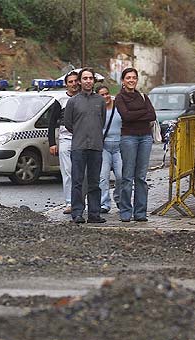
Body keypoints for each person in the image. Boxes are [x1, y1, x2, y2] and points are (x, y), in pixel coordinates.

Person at [64, 67, 106, 224]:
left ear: (94, 81)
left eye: (90, 78)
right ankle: (77, 213)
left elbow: (101, 120)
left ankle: (94, 213)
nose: (88, 81)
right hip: (79, 146)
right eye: (85, 78)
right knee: (77, 181)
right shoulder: (73, 102)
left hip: (96, 146)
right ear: (80, 81)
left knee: (95, 181)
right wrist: (81, 133)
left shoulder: (100, 101)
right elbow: (68, 123)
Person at [115, 67, 156, 222]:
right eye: (128, 78)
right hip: (128, 138)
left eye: (134, 77)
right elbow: (126, 116)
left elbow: (152, 115)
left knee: (141, 177)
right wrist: (142, 113)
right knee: (127, 177)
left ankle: (140, 213)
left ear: (136, 80)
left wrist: (135, 114)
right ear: (123, 81)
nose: (131, 80)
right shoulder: (120, 98)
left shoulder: (143, 96)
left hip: (146, 137)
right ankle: (125, 212)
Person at [48, 71, 79, 214]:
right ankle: (69, 202)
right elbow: (51, 122)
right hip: (65, 139)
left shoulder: (83, 98)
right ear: (66, 84)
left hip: (81, 139)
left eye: (75, 81)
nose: (73, 84)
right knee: (67, 171)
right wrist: (52, 143)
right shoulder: (60, 100)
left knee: (81, 172)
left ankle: (81, 200)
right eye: (70, 82)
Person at [95, 85, 122, 214]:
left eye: (107, 94)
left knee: (121, 175)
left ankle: (119, 198)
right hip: (104, 146)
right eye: (102, 95)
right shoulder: (97, 110)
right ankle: (104, 203)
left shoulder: (119, 107)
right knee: (103, 176)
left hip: (119, 146)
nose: (105, 97)